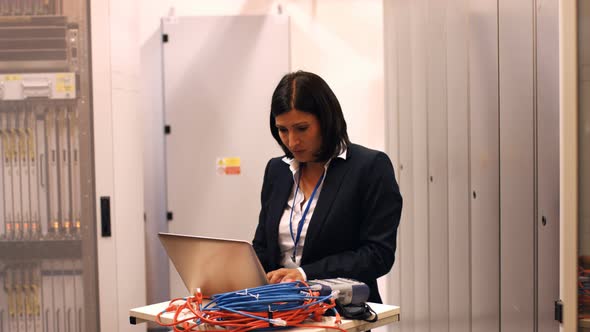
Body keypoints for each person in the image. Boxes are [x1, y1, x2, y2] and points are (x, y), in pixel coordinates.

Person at [252, 71, 402, 303]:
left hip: (339, 308)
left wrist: (305, 275)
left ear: (326, 121)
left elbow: (377, 255)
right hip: (279, 307)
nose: (292, 142)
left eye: (302, 128)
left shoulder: (370, 167)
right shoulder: (277, 170)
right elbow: (263, 246)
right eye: (283, 130)